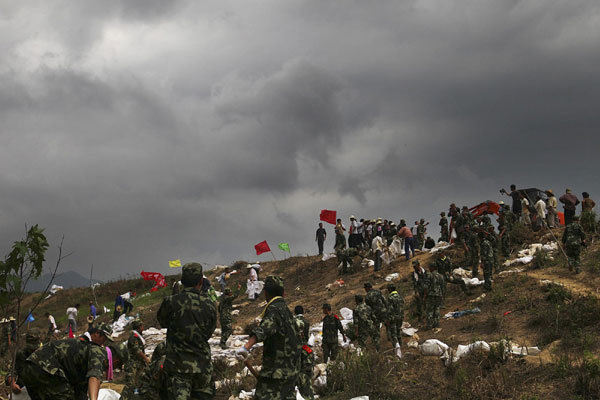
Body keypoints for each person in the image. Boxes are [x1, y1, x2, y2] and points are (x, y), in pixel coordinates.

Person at [157, 262, 218, 399]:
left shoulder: (171, 302)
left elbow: (163, 322)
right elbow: (209, 332)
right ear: (201, 281)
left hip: (177, 368)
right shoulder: (209, 304)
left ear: (182, 281)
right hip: (202, 367)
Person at [236, 276, 301, 400]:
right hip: (291, 370)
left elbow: (263, 330)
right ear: (284, 293)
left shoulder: (274, 310)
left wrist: (245, 348)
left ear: (265, 293)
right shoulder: (286, 310)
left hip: (276, 374)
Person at [21, 323, 113, 400]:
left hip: (29, 369)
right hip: (47, 369)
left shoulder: (78, 342)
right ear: (97, 333)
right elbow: (94, 377)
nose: (103, 343)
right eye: (104, 339)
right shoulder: (93, 350)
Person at [5, 328, 42, 395]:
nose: (33, 350)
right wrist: (12, 383)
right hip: (25, 390)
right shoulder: (21, 355)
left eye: (35, 348)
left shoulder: (47, 353)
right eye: (31, 348)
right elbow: (12, 371)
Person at [121, 320, 151, 399]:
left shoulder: (139, 336)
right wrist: (146, 358)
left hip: (139, 364)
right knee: (130, 385)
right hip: (132, 364)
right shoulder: (133, 337)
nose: (143, 328)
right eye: (142, 326)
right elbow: (137, 350)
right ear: (139, 327)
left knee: (139, 383)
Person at [294, 305, 314, 400]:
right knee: (306, 372)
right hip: (305, 348)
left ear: (295, 312)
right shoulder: (306, 322)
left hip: (294, 348)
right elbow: (307, 335)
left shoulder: (292, 322)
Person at [425, 263, 445, 329]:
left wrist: (425, 295)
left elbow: (427, 286)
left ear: (432, 268)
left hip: (431, 295)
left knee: (430, 310)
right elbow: (442, 286)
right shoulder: (440, 276)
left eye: (430, 267)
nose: (429, 269)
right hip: (439, 294)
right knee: (437, 309)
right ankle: (436, 323)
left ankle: (429, 325)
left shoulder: (430, 275)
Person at [386, 284, 404, 350]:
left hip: (393, 318)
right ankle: (401, 345)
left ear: (390, 289)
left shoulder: (390, 298)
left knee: (393, 334)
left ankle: (396, 348)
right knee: (398, 331)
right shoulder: (400, 296)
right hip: (400, 316)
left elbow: (389, 310)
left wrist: (388, 319)